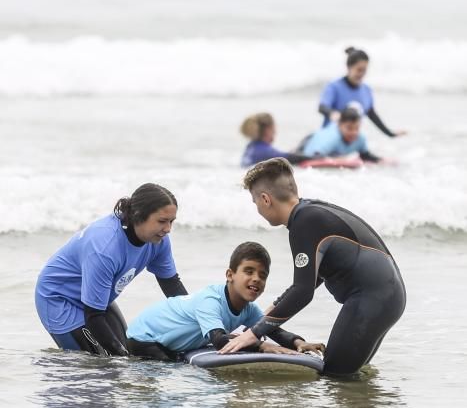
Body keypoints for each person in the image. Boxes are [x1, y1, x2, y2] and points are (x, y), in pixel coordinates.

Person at [219, 159, 406, 376]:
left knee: (334, 374)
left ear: (265, 199)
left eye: (255, 203)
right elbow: (312, 278)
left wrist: (253, 333)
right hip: (388, 297)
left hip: (372, 300)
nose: (258, 210)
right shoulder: (310, 213)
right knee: (351, 375)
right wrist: (267, 315)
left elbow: (303, 291)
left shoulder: (304, 224)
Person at [35, 183, 187, 356]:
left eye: (171, 221)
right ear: (138, 215)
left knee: (129, 353)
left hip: (97, 299)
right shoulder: (105, 247)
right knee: (106, 366)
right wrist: (120, 357)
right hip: (60, 300)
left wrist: (201, 322)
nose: (168, 229)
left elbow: (172, 286)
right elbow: (94, 316)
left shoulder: (159, 241)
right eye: (162, 221)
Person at [126, 242, 324, 360]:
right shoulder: (210, 300)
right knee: (169, 367)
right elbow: (220, 341)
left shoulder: (249, 309)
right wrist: (262, 346)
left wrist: (299, 342)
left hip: (165, 341)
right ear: (230, 275)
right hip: (144, 338)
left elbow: (273, 329)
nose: (256, 278)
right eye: (249, 271)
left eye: (262, 275)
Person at [318, 47, 406, 138]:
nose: (362, 74)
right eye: (359, 70)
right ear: (349, 67)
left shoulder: (366, 90)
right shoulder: (334, 87)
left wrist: (390, 134)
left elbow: (372, 115)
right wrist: (332, 113)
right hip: (329, 139)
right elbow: (322, 107)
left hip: (350, 141)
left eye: (365, 70)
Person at [303, 106, 381, 162]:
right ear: (339, 125)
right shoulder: (332, 138)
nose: (353, 132)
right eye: (349, 128)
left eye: (357, 128)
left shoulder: (360, 138)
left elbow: (365, 156)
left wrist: (381, 160)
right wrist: (341, 159)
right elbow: (313, 157)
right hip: (309, 142)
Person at [240, 113, 304, 167]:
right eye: (274, 128)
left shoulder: (251, 146)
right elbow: (288, 158)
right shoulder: (264, 151)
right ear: (268, 130)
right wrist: (311, 158)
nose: (275, 132)